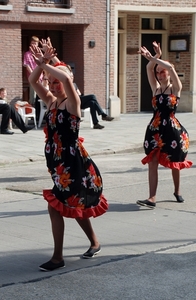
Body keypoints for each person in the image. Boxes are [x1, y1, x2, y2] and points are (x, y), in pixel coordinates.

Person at [28, 43, 108, 271]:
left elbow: (65, 79)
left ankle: (57, 258)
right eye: (51, 82)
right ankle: (94, 241)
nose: (54, 84)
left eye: (57, 81)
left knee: (58, 206)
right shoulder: (51, 102)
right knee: (74, 205)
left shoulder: (73, 102)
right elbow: (34, 81)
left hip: (75, 165)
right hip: (58, 163)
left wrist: (46, 63)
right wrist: (41, 65)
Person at [136, 41, 192, 209]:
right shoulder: (156, 89)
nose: (160, 74)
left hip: (172, 129)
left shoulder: (176, 88)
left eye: (163, 72)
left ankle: (177, 190)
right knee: (152, 161)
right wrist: (155, 58)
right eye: (158, 72)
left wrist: (156, 58)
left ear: (168, 73)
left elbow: (170, 68)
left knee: (175, 161)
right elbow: (148, 69)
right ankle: (152, 197)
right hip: (155, 128)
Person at [23, 35, 43, 111]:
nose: (34, 45)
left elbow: (44, 64)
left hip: (40, 77)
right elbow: (27, 65)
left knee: (41, 95)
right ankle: (33, 113)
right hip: (33, 77)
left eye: (35, 43)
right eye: (32, 43)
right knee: (33, 96)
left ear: (38, 44)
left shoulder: (40, 53)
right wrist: (34, 75)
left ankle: (41, 113)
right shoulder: (27, 54)